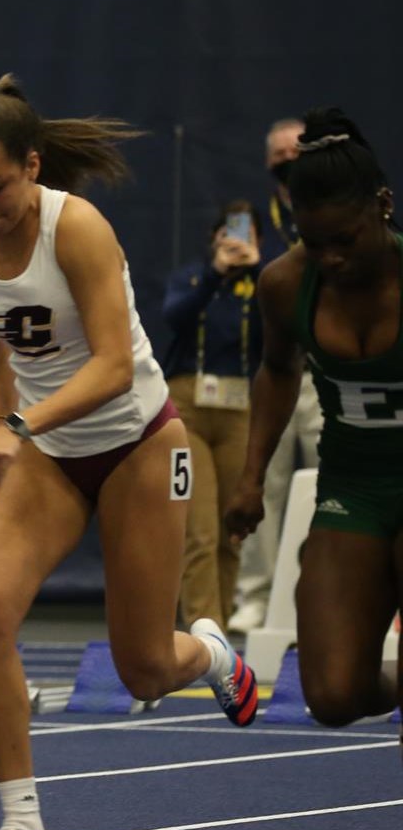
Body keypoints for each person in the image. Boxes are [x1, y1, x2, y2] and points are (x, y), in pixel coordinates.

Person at [0, 76, 256, 830]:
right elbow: (2, 338)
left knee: (144, 670)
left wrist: (17, 428)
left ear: (33, 166)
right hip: (48, 452)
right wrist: (4, 429)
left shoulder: (77, 229)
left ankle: (212, 654)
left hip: (140, 443)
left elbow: (115, 367)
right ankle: (22, 824)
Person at [225, 109, 403, 736]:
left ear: (383, 205)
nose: (331, 257)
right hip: (352, 488)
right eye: (313, 240)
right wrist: (250, 479)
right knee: (331, 694)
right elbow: (276, 371)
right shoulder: (285, 283)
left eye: (345, 241)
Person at [231, 118, 324, 632]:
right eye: (280, 155)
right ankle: (256, 596)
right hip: (273, 367)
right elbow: (234, 273)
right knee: (261, 481)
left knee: (333, 481)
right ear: (270, 164)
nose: (289, 161)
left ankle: (324, 588)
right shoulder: (251, 221)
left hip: (323, 370)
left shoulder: (332, 214)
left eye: (298, 152)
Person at [158, 201, 263, 630]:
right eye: (231, 232)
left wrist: (256, 271)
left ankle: (223, 623)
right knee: (199, 530)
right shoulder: (195, 276)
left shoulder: (264, 282)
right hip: (190, 405)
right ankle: (206, 629)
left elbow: (282, 325)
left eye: (247, 234)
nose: (237, 241)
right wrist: (217, 271)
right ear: (216, 237)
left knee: (231, 527)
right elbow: (174, 317)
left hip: (239, 407)